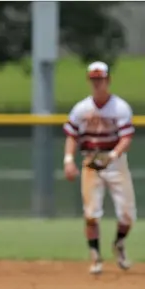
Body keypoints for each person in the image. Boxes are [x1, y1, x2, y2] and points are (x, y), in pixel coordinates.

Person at [62, 61, 136, 274]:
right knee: (91, 214)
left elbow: (126, 138)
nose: (97, 83)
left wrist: (112, 155)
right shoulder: (81, 108)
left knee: (126, 215)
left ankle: (119, 244)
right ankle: (95, 256)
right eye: (93, 79)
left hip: (115, 163)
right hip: (91, 162)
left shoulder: (119, 107)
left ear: (108, 80)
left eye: (100, 79)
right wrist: (68, 160)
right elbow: (72, 136)